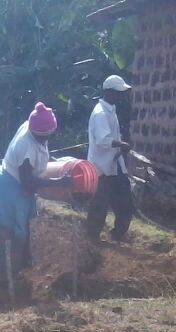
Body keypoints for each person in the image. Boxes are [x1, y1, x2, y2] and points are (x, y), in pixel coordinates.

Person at [0, 102, 70, 281]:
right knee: (3, 232)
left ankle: (10, 272)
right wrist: (58, 182)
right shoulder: (25, 145)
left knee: (13, 233)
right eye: (43, 137)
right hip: (6, 191)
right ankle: (2, 276)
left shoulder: (32, 126)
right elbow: (27, 181)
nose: (45, 140)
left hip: (13, 189)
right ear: (36, 133)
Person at [86, 75, 134, 242]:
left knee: (126, 204)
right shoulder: (100, 113)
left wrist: (120, 146)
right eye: (118, 92)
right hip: (101, 168)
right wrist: (121, 144)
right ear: (109, 92)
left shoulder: (110, 110)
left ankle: (116, 237)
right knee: (99, 207)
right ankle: (91, 243)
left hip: (114, 165)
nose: (121, 96)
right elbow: (103, 139)